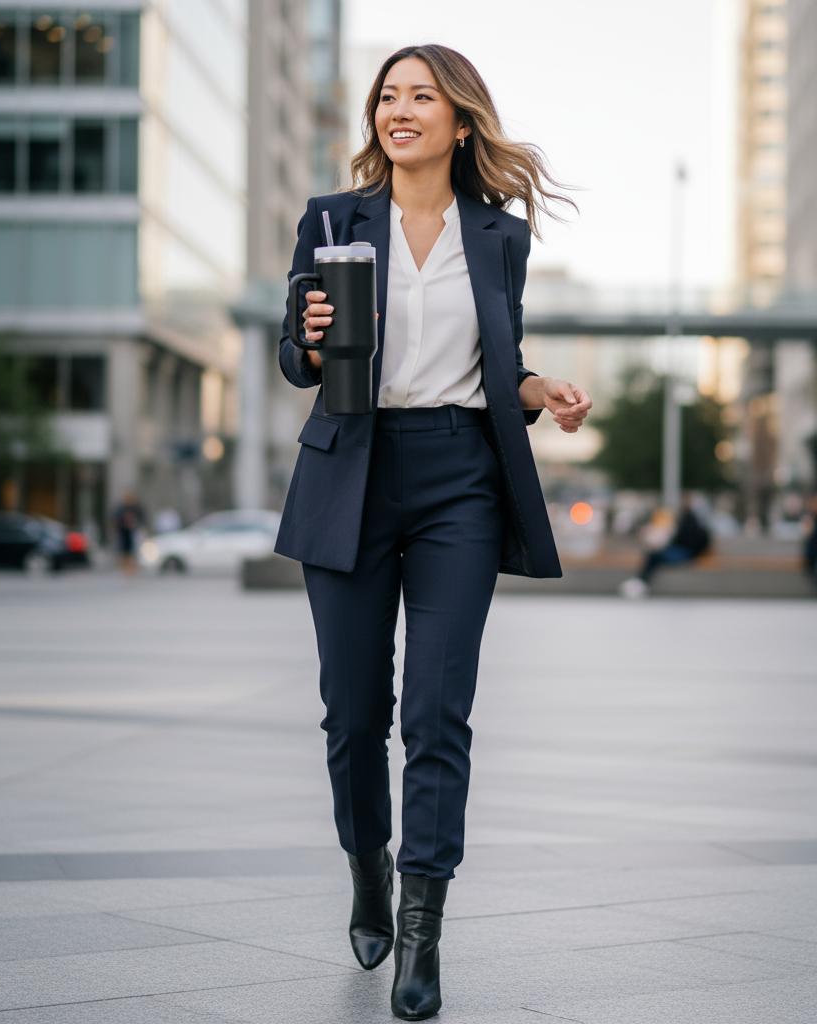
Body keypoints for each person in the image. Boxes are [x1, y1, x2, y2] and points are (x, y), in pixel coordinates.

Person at [275, 45, 591, 1021]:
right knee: (354, 716)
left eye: (421, 97)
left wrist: (541, 391)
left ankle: (421, 931)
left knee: (437, 714)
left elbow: (504, 360)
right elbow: (296, 354)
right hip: (351, 473)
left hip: (460, 476)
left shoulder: (499, 235)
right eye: (388, 95)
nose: (398, 109)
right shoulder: (332, 218)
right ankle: (367, 866)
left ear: (460, 122)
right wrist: (313, 336)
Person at [620, 497, 711, 598]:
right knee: (654, 556)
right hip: (687, 551)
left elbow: (684, 539)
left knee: (654, 556)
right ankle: (640, 581)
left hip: (687, 553)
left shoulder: (689, 521)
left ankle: (641, 581)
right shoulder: (692, 520)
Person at [114, 490, 146, 575]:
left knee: (135, 551)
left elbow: (142, 518)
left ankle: (133, 570)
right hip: (124, 532)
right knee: (124, 551)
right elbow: (116, 519)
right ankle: (125, 570)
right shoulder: (121, 508)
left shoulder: (136, 508)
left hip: (134, 532)